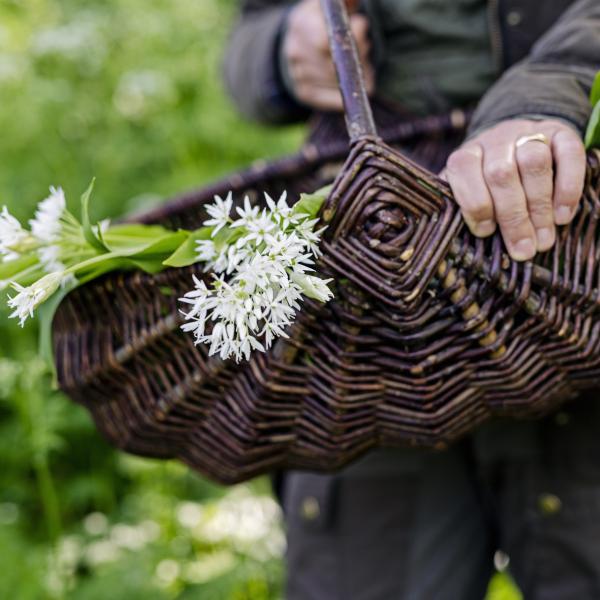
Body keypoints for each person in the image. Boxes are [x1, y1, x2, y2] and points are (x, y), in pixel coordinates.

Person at [224, 1, 600, 598]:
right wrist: (279, 50)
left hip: (575, 277)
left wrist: (553, 94)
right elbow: (247, 37)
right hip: (367, 317)